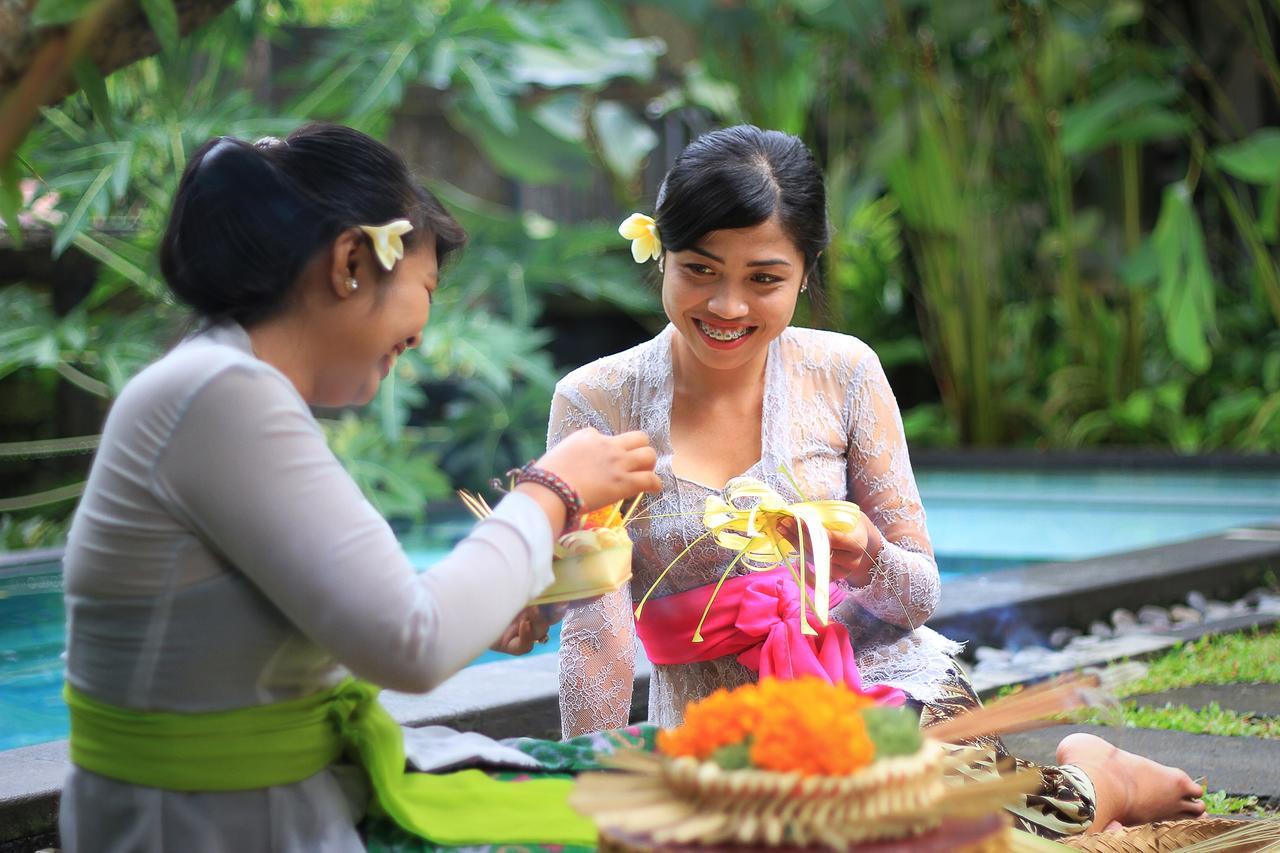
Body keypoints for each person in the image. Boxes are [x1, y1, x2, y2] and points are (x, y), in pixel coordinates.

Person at [548, 124, 1205, 837]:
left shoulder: (843, 373)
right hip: (719, 736)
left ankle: (1100, 776)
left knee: (989, 838)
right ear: (662, 256)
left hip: (881, 691)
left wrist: (868, 556)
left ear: (806, 273)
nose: (728, 306)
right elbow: (595, 634)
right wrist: (592, 800)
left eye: (764, 278)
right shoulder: (596, 401)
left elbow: (918, 593)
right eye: (700, 270)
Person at [59, 122, 661, 853]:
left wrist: (487, 605)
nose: (423, 327)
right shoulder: (221, 395)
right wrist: (552, 487)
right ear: (351, 261)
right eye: (427, 287)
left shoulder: (220, 385)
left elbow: (371, 621)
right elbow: (413, 643)